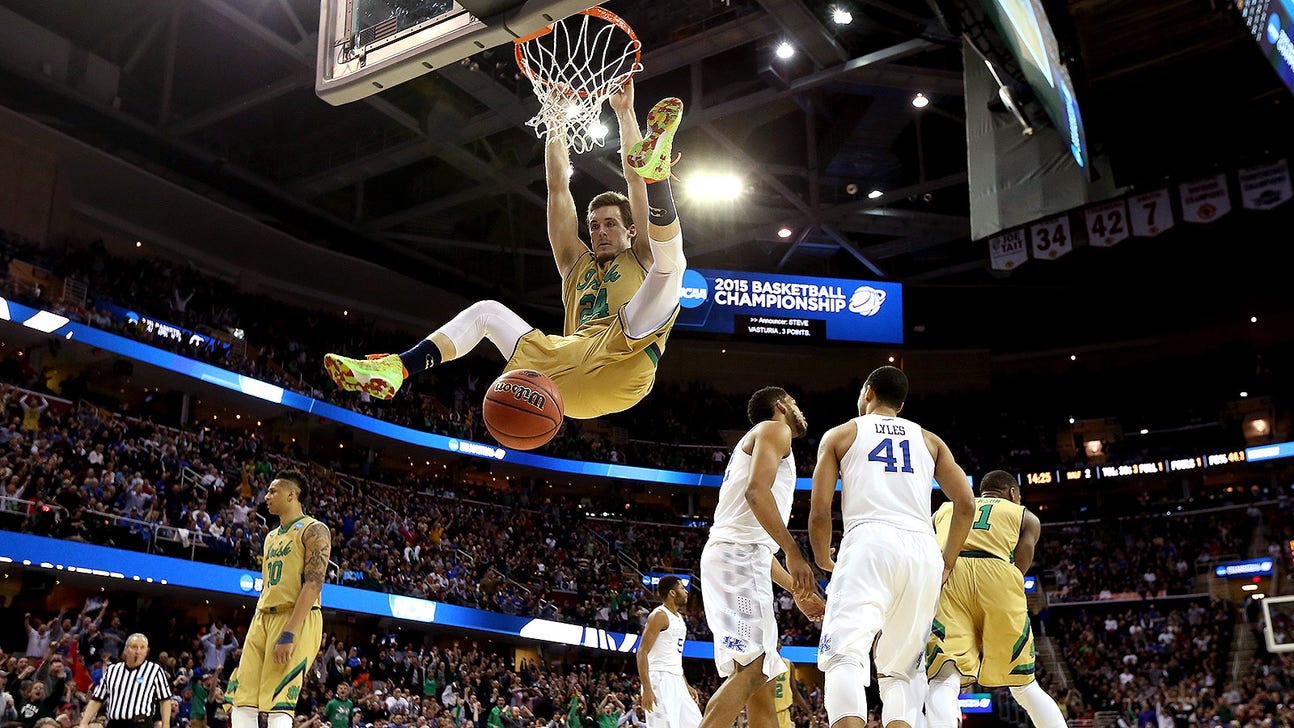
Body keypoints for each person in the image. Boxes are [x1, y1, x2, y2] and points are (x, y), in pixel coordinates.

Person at [323, 80, 688, 420]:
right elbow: (558, 187)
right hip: (562, 368)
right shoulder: (575, 263)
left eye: (610, 224)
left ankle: (658, 179)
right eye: (594, 225)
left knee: (668, 268)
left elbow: (632, 182)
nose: (600, 231)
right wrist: (556, 118)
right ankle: (397, 368)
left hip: (626, 356)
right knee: (486, 311)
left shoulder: (638, 253)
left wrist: (625, 113)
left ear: (631, 230)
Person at [808, 366, 975, 728]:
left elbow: (820, 512)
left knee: (845, 654)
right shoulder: (931, 440)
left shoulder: (841, 434)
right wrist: (946, 561)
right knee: (900, 672)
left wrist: (823, 557)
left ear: (868, 391)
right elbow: (966, 504)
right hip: (923, 550)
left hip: (869, 540)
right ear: (900, 404)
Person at [698, 387, 825, 728]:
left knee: (761, 679)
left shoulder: (768, 440)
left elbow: (755, 546)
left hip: (738, 558)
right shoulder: (775, 429)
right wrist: (794, 552)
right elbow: (756, 492)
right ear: (781, 405)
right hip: (736, 559)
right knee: (754, 670)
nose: (798, 409)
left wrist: (797, 590)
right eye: (795, 402)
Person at [923, 470, 1065, 728]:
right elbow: (1019, 568)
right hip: (998, 574)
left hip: (950, 574)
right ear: (1012, 493)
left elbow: (926, 545)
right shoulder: (1026, 516)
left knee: (945, 679)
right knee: (1024, 686)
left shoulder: (945, 509)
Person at [227, 470, 330, 728]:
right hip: (263, 615)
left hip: (296, 616)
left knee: (279, 698)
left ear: (291, 494)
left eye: (273, 491)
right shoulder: (271, 536)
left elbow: (314, 583)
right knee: (243, 695)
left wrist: (289, 633)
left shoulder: (314, 529)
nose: (267, 496)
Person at [636, 576, 701, 728]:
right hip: (659, 678)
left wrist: (685, 684)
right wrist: (646, 689)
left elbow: (674, 657)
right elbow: (642, 652)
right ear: (672, 593)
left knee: (697, 724)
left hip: (676, 678)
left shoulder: (679, 618)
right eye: (682, 588)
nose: (686, 592)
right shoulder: (659, 615)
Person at [77, 634, 173, 728]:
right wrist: (84, 722)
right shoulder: (112, 670)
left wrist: (166, 725)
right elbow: (97, 699)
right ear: (126, 650)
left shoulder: (154, 670)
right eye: (134, 647)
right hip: (115, 723)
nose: (138, 651)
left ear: (147, 651)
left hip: (141, 723)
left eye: (142, 647)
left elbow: (165, 700)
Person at [770, 655, 808, 728]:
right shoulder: (761, 663)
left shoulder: (788, 664)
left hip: (784, 714)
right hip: (765, 713)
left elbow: (795, 692)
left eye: (778, 642)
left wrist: (808, 712)